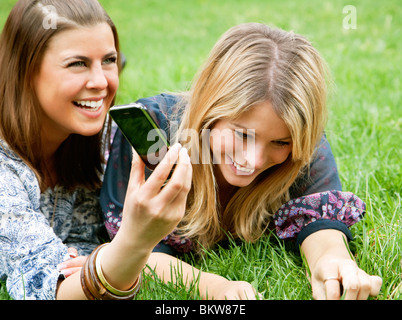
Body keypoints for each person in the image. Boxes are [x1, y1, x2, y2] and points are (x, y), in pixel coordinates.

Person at [101, 23, 383, 300]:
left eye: (279, 143)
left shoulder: (298, 142)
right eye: (242, 135)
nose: (254, 159)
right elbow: (136, 249)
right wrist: (214, 287)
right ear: (209, 110)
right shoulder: (154, 130)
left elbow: (319, 221)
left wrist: (333, 261)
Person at [0, 0, 192, 300]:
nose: (101, 81)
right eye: (77, 63)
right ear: (25, 71)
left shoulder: (100, 143)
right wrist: (132, 241)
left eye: (109, 60)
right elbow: (51, 289)